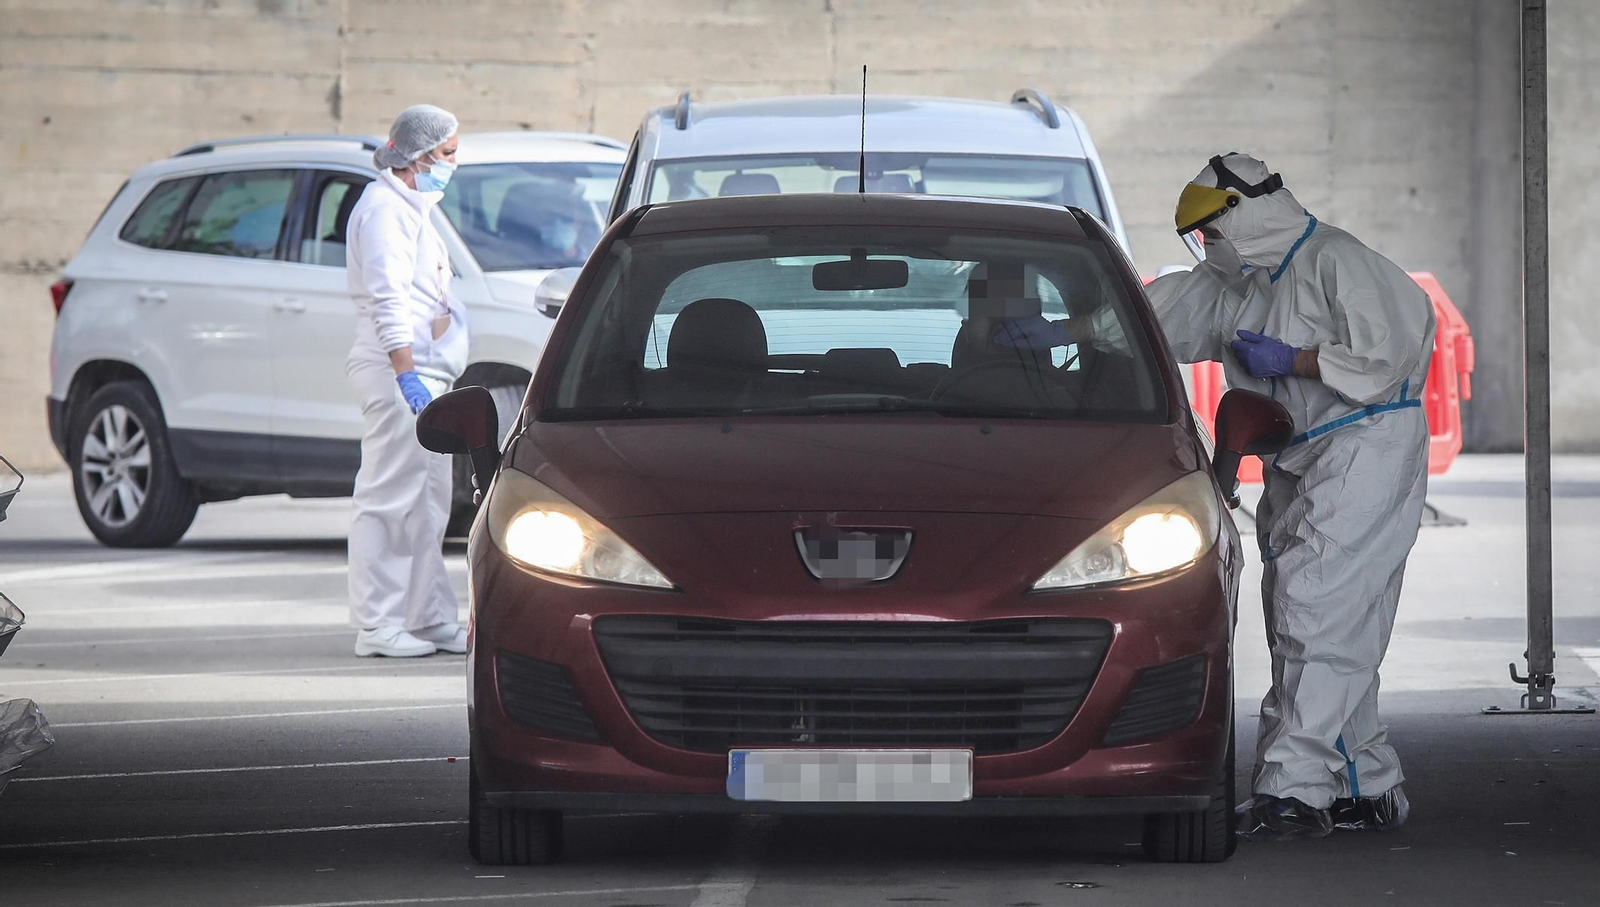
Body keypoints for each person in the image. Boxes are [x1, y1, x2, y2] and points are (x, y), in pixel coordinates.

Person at [998, 152, 1433, 839]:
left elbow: (1398, 351)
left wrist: (1296, 361)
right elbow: (1152, 317)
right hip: (1298, 453)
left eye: (1211, 234)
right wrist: (1067, 332)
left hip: (1365, 444)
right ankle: (1365, 781)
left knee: (1315, 610)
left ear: (1244, 215)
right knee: (1329, 617)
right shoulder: (1236, 282)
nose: (1207, 248)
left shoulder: (1337, 263)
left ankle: (1293, 791)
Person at [344, 104, 469, 658]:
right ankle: (377, 624)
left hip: (427, 373)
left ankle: (428, 615)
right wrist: (406, 374)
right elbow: (387, 298)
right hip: (402, 374)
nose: (454, 162)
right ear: (416, 157)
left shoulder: (413, 208)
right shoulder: (383, 212)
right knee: (389, 498)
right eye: (446, 153)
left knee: (428, 502)